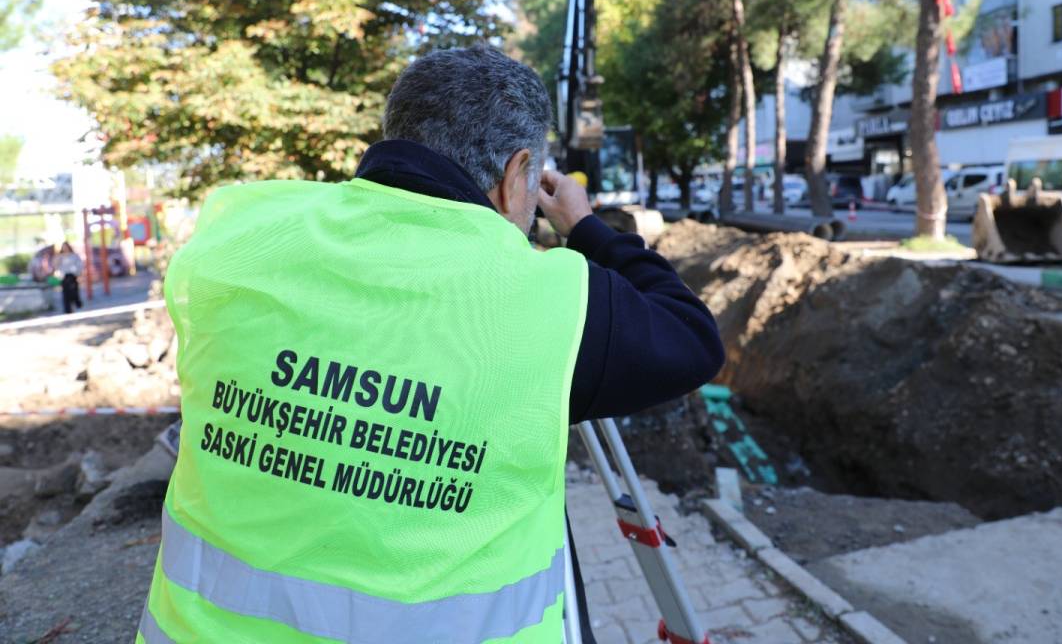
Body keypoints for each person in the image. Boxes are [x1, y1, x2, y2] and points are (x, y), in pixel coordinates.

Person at [138, 45, 724, 643]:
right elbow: (692, 337)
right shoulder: (541, 305)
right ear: (517, 174)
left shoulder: (236, 234)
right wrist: (585, 227)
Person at [54, 242, 84, 313]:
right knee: (65, 293)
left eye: (66, 246)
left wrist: (78, 273)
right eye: (63, 247)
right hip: (64, 276)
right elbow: (56, 266)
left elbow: (79, 264)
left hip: (73, 275)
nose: (65, 248)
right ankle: (67, 309)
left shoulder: (74, 255)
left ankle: (77, 303)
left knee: (74, 291)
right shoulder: (60, 256)